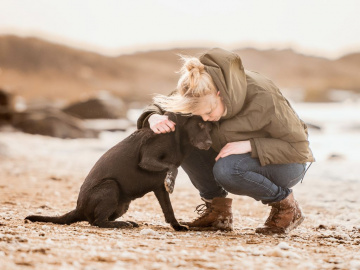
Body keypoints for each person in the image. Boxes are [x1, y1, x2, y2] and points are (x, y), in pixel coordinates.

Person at [137, 48, 315, 234]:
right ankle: (218, 212)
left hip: (287, 164)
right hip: (235, 154)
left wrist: (250, 145)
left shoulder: (263, 96)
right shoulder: (199, 86)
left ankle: (287, 207)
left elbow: (300, 149)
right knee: (181, 134)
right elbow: (165, 104)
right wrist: (152, 117)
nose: (205, 119)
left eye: (208, 112)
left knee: (229, 169)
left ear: (219, 94)